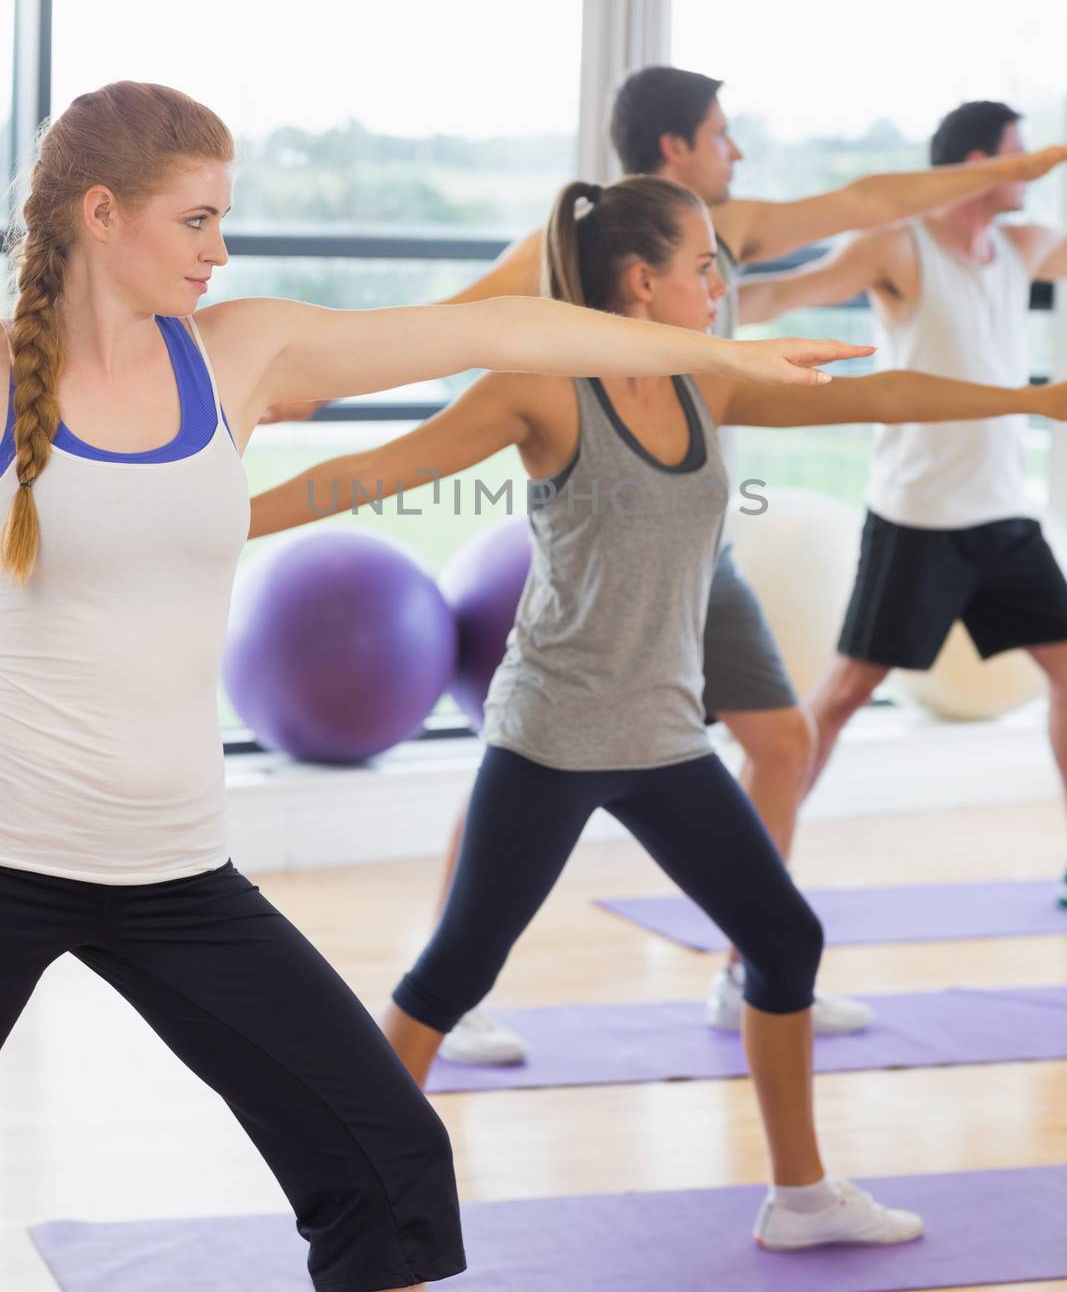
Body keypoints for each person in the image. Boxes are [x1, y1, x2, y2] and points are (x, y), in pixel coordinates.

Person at [0, 84, 854, 1292]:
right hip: (11, 851)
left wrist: (712, 351)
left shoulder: (242, 352)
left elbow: (512, 328)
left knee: (390, 1166)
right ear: (102, 213)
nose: (220, 248)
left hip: (175, 874)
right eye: (196, 220)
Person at [251, 174, 1067, 1251]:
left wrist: (1027, 401)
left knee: (783, 937)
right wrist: (209, 518)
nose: (723, 285)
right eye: (703, 265)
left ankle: (799, 1195)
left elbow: (877, 396)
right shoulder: (539, 388)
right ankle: (361, 1198)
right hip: (552, 737)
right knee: (452, 970)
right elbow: (369, 473)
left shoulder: (704, 384)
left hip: (667, 738)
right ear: (641, 282)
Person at [740, 99, 1067, 908]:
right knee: (844, 696)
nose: (1029, 172)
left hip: (1002, 515)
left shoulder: (1021, 245)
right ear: (972, 165)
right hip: (918, 518)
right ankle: (747, 871)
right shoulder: (898, 245)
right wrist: (667, 312)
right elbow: (788, 294)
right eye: (1017, 157)